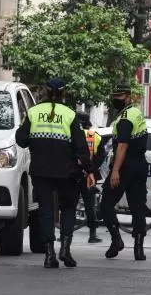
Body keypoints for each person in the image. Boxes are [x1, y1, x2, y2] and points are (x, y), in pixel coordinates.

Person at [15, 78, 95, 269]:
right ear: (63, 93)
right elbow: (80, 146)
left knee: (45, 211)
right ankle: (65, 249)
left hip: (41, 171)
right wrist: (89, 170)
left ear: (44, 92)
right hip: (66, 172)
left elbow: (21, 140)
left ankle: (49, 254)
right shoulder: (69, 114)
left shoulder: (33, 112)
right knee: (67, 208)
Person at [99, 83, 149, 261]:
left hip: (126, 166)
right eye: (114, 96)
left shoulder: (125, 118)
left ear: (128, 97)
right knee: (138, 208)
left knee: (105, 205)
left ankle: (116, 240)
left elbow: (122, 145)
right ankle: (139, 249)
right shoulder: (136, 113)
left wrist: (115, 172)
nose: (116, 100)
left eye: (119, 97)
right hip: (140, 165)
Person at [75, 111, 103, 243]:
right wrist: (92, 169)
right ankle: (92, 235)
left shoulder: (72, 134)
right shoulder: (95, 136)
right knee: (90, 206)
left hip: (73, 175)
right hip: (89, 176)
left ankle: (65, 234)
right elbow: (101, 156)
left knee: (69, 205)